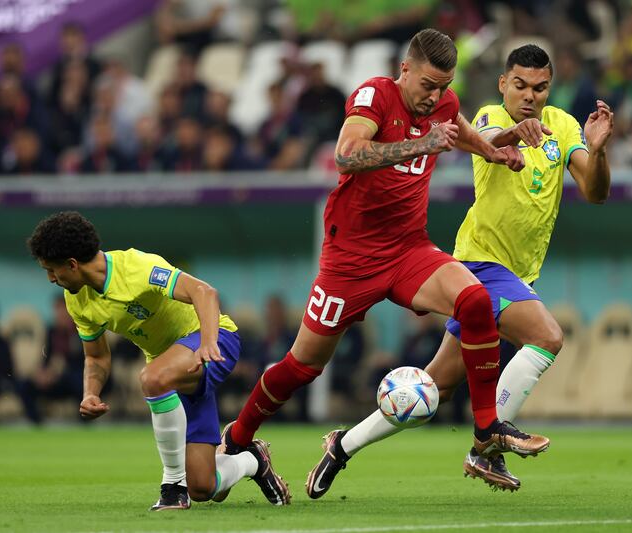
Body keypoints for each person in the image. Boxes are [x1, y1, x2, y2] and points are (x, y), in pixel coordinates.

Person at [216, 29, 549, 503]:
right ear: (405, 69)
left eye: (444, 87)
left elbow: (462, 132)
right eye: (428, 85)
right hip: (350, 260)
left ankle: (485, 433)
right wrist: (421, 146)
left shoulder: (442, 104)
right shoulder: (375, 94)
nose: (434, 96)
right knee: (302, 365)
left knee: (475, 299)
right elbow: (346, 156)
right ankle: (240, 439)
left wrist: (496, 149)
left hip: (408, 249)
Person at [307, 44, 613, 495]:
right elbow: (488, 141)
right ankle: (486, 442)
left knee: (433, 390)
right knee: (547, 337)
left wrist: (598, 151)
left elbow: (595, 191)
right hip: (480, 263)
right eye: (520, 86)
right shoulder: (489, 116)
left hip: (519, 274)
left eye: (540, 88)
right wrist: (515, 133)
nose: (529, 96)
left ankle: (342, 446)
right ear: (503, 85)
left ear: (551, 88)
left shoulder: (564, 126)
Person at [26, 211, 290, 510]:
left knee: (152, 377)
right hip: (172, 371)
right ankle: (251, 460)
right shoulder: (77, 299)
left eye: (51, 270)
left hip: (214, 341)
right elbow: (97, 356)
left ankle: (172, 488)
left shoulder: (136, 267)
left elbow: (204, 292)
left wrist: (207, 342)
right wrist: (90, 392)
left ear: (72, 264)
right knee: (205, 486)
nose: (50, 278)